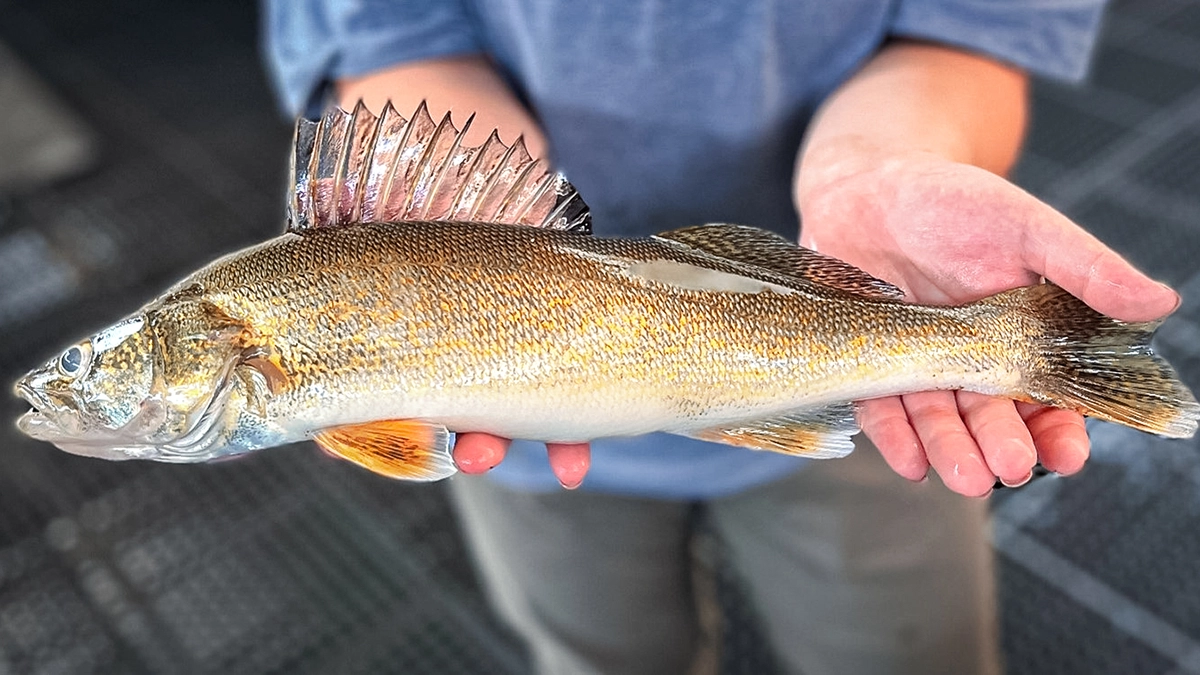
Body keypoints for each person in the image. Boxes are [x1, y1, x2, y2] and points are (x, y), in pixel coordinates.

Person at [264, 2, 1180, 673]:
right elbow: (394, 41)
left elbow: (977, 35)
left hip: (877, 408)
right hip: (519, 455)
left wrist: (875, 167)